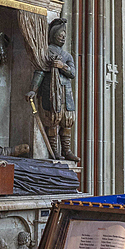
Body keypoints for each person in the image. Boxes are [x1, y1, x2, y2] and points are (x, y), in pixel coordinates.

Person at [26, 18, 79, 162]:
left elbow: (73, 73)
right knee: (52, 121)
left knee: (67, 121)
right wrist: (33, 90)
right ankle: (55, 151)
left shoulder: (67, 56)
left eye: (64, 34)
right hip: (50, 92)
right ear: (53, 34)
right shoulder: (46, 52)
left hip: (65, 92)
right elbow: (40, 71)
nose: (63, 37)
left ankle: (67, 150)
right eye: (60, 34)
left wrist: (62, 66)